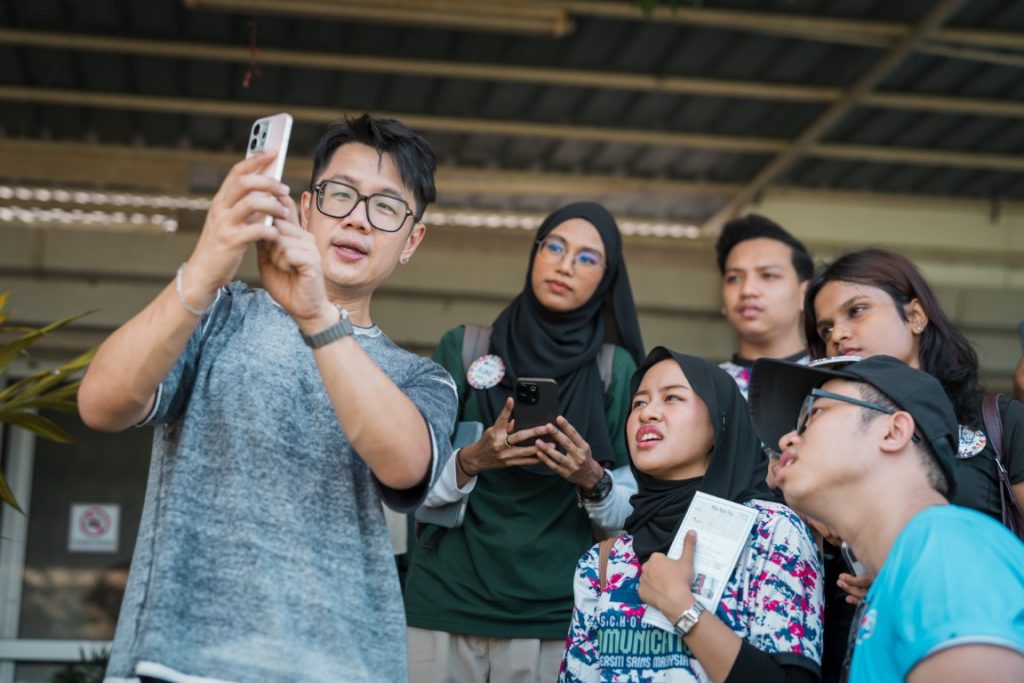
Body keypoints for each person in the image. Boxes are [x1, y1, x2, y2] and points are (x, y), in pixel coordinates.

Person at [78, 114, 457, 683]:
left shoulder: (422, 378)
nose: (357, 218)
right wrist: (205, 268)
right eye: (340, 195)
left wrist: (317, 315)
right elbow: (100, 403)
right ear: (306, 209)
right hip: (178, 663)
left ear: (412, 241)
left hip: (341, 669)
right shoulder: (218, 314)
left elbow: (406, 464)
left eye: (386, 207)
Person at [403, 202, 646, 683]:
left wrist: (591, 479)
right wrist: (471, 461)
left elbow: (633, 514)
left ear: (607, 278)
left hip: (555, 612)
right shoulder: (465, 348)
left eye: (587, 258)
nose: (565, 265)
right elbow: (408, 482)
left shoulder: (614, 372)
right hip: (445, 601)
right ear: (535, 254)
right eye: (554, 247)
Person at [800, 247, 1024, 681]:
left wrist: (914, 576)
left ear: (916, 316)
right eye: (826, 328)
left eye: (856, 311)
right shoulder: (823, 443)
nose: (838, 334)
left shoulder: (999, 420)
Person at [748, 354, 1024, 683]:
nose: (786, 440)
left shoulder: (945, 553)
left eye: (815, 413)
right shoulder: (908, 571)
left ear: (893, 432)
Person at [559, 348, 823, 682]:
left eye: (672, 397)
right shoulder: (604, 562)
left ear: (719, 421)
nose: (647, 413)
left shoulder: (771, 532)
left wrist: (681, 607)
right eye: (638, 403)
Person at [714, 214, 814, 400]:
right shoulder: (704, 389)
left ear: (805, 294)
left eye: (768, 275)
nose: (747, 290)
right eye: (734, 278)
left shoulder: (835, 379)